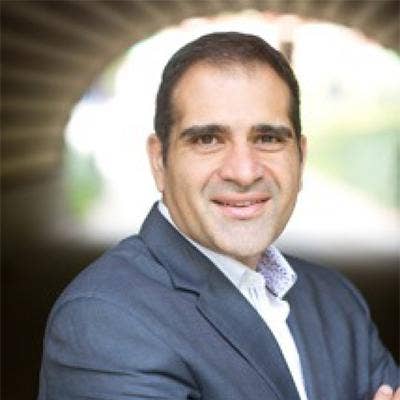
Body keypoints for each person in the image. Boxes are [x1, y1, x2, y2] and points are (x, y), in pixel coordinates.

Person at [38, 32, 399, 400]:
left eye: (268, 138)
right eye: (207, 139)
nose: (244, 172)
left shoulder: (336, 301)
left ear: (301, 158)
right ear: (159, 161)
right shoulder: (105, 319)